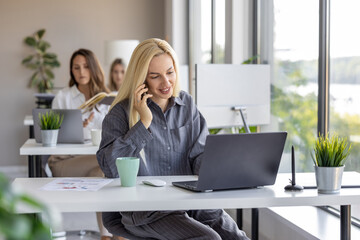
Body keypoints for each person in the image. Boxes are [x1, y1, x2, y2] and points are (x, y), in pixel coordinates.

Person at [97, 39, 249, 240]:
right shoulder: (120, 114)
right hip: (148, 212)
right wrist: (144, 123)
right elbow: (111, 167)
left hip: (192, 202)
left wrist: (221, 169)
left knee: (238, 238)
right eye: (155, 76)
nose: (166, 82)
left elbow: (200, 155)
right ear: (141, 79)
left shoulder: (186, 104)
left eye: (170, 72)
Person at [50, 49, 121, 240]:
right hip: (65, 161)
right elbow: (50, 136)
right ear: (71, 71)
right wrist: (75, 128)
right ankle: (117, 234)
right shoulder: (62, 97)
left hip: (96, 161)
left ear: (94, 68)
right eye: (76, 67)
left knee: (102, 173)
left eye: (86, 66)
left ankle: (108, 235)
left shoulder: (106, 99)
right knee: (107, 167)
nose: (81, 71)